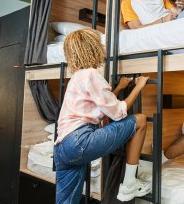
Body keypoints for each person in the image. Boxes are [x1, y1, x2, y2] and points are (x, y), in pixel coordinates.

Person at [53, 28, 151, 204]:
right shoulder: (91, 74)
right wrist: (138, 86)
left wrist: (120, 88)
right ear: (92, 48)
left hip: (62, 147)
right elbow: (118, 112)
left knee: (66, 202)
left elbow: (101, 105)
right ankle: (129, 184)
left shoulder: (77, 77)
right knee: (141, 120)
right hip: (79, 141)